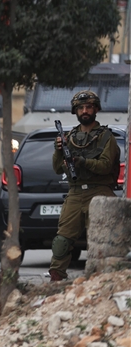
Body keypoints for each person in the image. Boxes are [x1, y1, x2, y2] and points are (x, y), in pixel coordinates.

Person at [48, 90, 120, 282]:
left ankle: (101, 281)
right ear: (76, 111)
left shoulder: (106, 137)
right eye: (81, 108)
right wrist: (58, 151)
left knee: (101, 243)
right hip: (75, 192)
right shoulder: (69, 137)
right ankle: (56, 280)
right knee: (62, 241)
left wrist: (82, 162)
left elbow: (105, 166)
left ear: (96, 109)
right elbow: (57, 168)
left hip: (99, 192)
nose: (85, 111)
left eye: (89, 107)